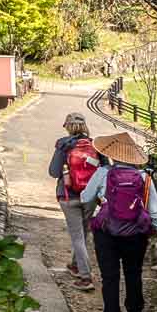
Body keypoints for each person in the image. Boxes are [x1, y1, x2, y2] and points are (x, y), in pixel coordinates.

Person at [80, 132, 157, 312]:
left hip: (107, 232)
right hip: (136, 233)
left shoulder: (103, 172)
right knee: (133, 272)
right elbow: (154, 209)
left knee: (109, 276)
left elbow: (85, 198)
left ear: (112, 154)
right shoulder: (144, 178)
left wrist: (101, 201)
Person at [48, 113, 105, 291]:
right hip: (89, 197)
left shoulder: (63, 144)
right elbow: (104, 171)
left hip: (68, 195)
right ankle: (75, 265)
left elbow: (54, 172)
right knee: (83, 231)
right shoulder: (95, 145)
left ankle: (86, 277)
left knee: (77, 236)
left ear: (67, 126)